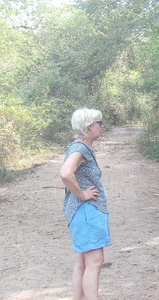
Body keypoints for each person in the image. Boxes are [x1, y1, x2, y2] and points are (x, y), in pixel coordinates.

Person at [59, 108, 111, 300]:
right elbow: (65, 173)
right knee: (95, 261)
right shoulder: (80, 149)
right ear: (90, 127)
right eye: (100, 123)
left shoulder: (80, 146)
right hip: (86, 212)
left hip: (81, 213)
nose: (102, 126)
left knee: (82, 262)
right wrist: (82, 194)